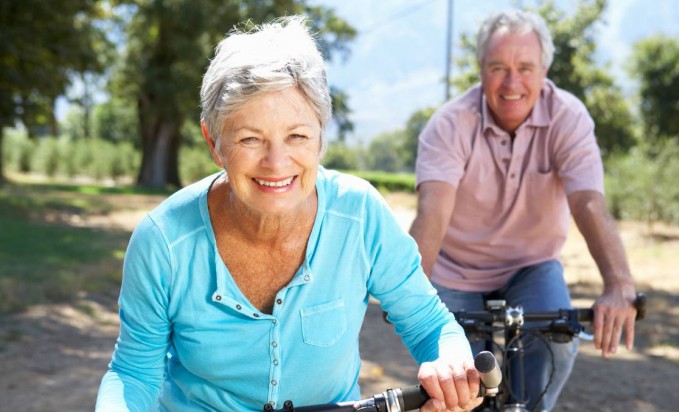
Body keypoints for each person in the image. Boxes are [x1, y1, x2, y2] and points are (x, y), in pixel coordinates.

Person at [96, 16, 483, 412]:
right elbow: (134, 373)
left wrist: (451, 362)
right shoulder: (162, 241)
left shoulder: (360, 214)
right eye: (250, 138)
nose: (276, 163)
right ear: (214, 143)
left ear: (320, 138)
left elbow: (430, 323)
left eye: (297, 135)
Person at [409, 9, 638, 412]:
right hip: (455, 269)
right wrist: (408, 289)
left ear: (545, 69)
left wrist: (618, 285)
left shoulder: (569, 117)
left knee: (556, 345)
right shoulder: (449, 124)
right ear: (480, 69)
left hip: (531, 266)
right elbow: (433, 211)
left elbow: (588, 201)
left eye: (525, 68)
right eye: (498, 68)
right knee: (459, 377)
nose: (512, 82)